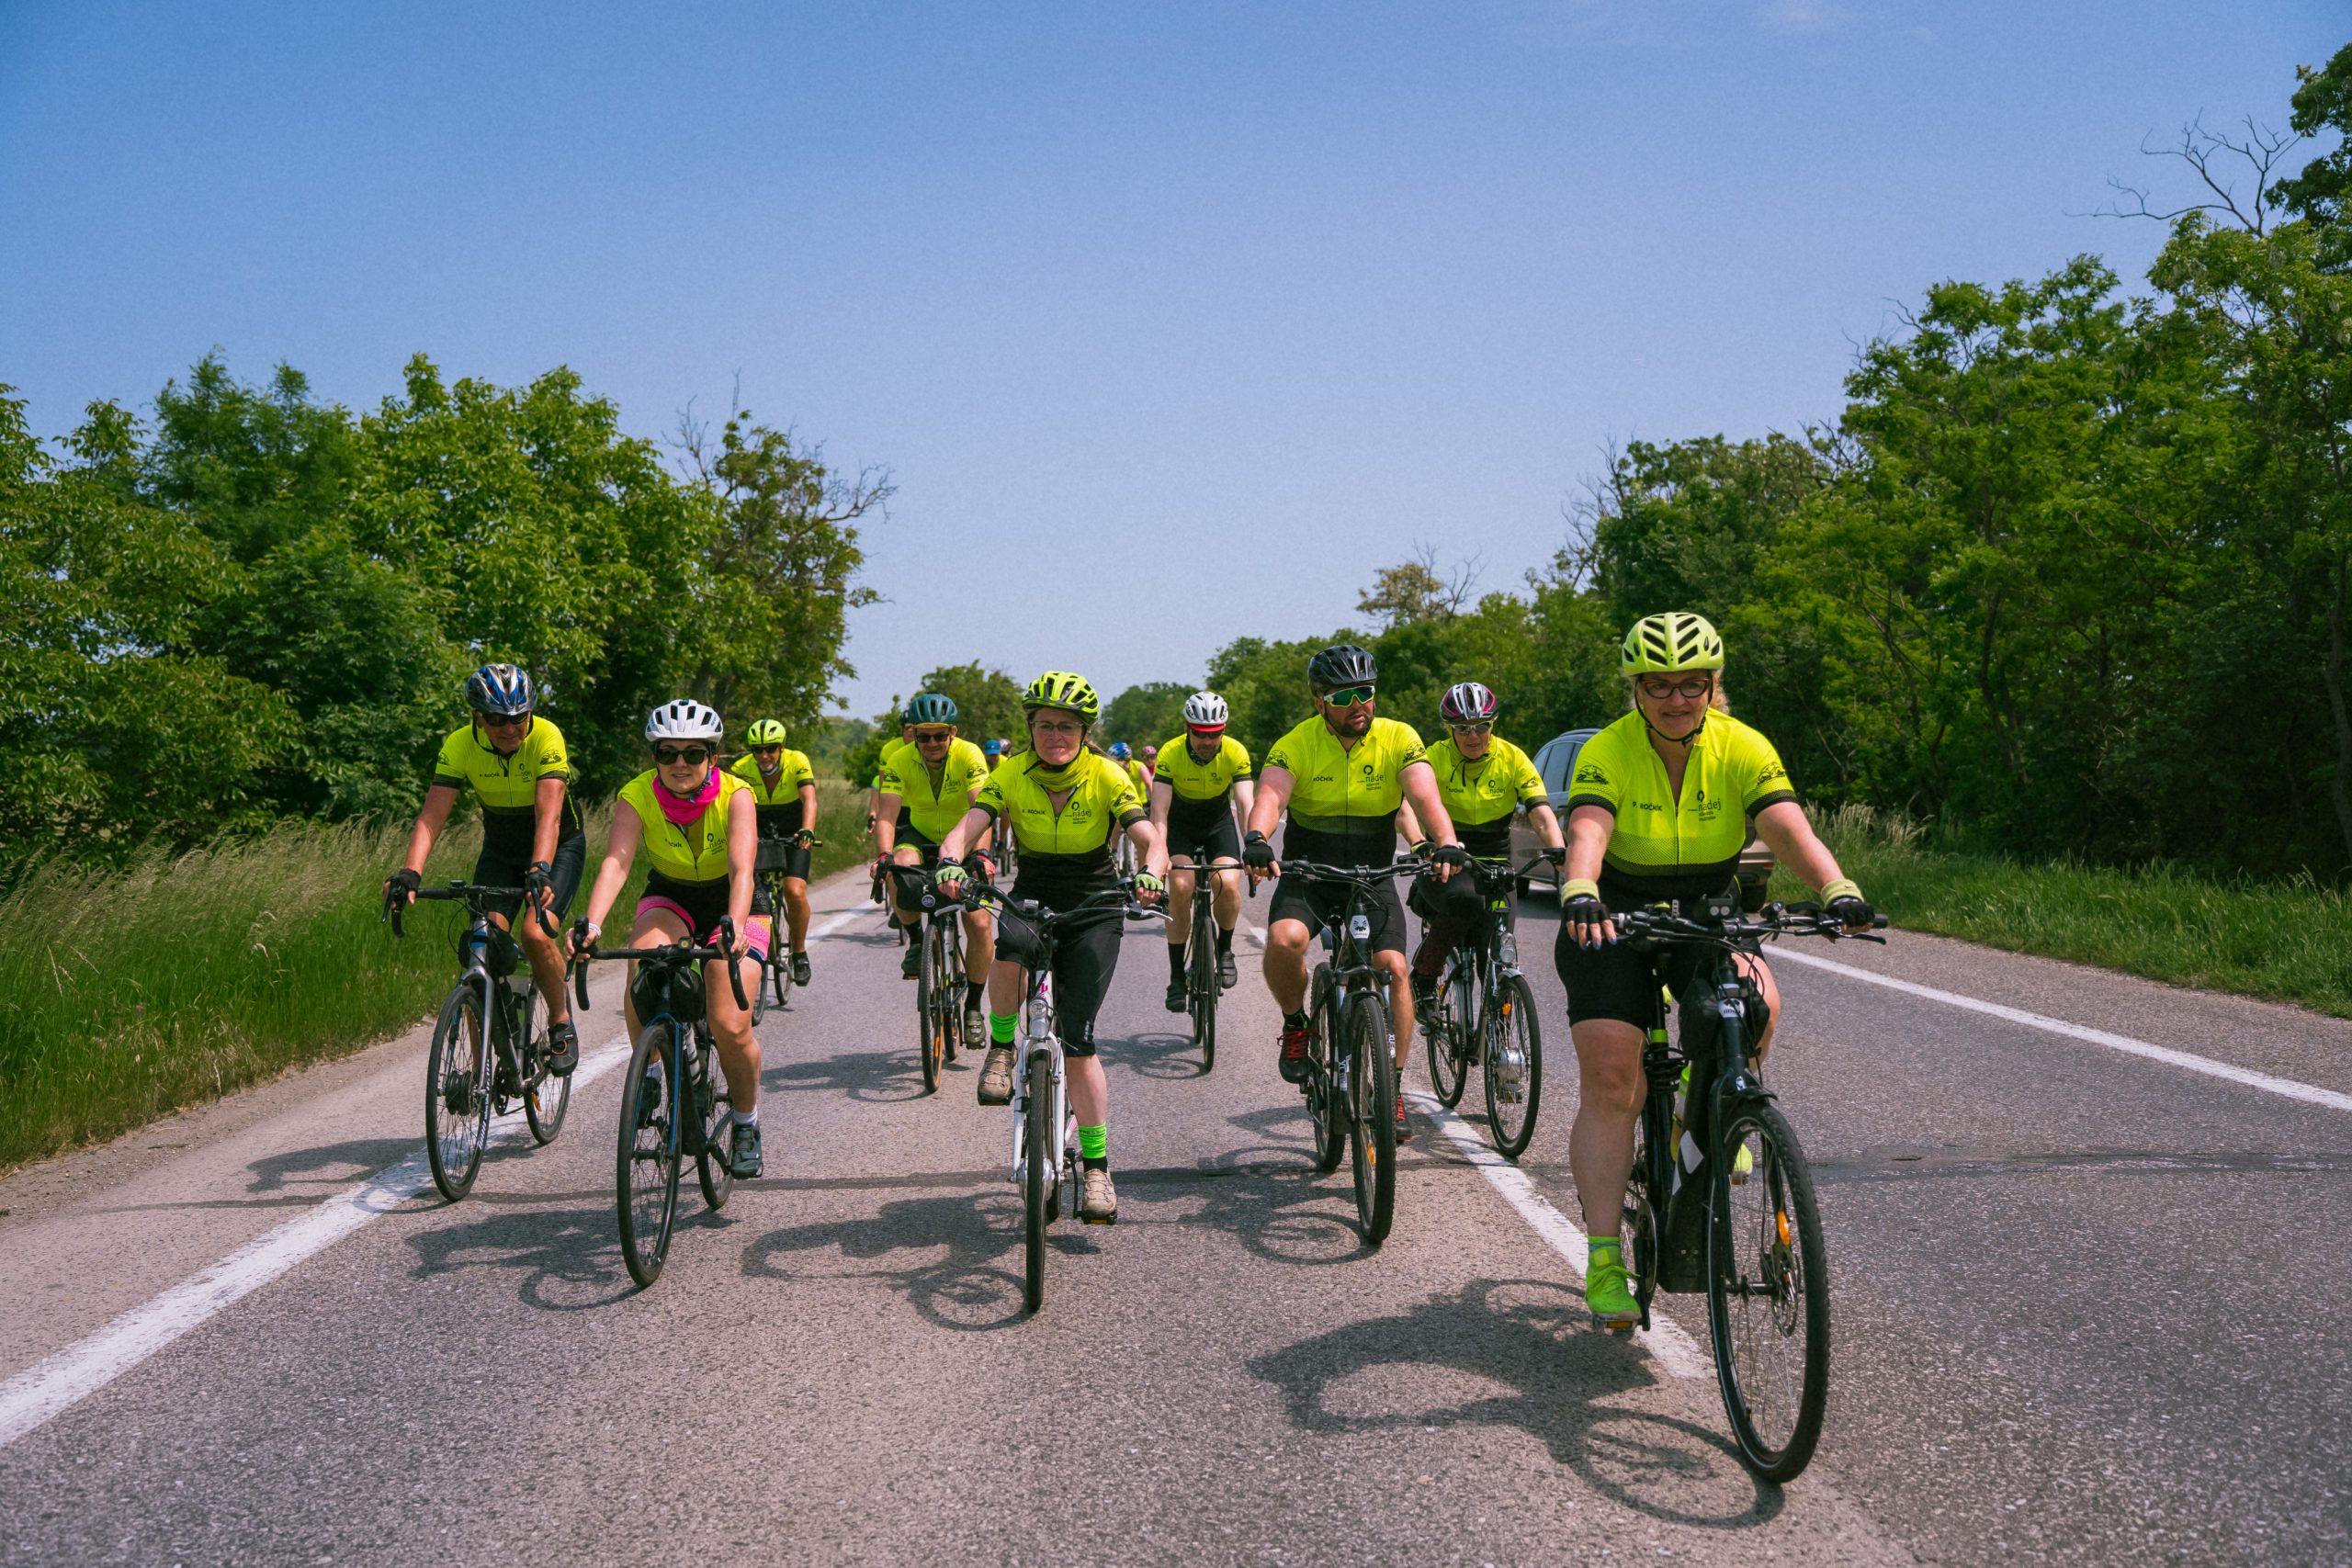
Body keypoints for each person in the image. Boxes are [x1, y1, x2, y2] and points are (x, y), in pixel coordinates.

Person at [1556, 612, 1874, 1327]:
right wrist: (1580, 887)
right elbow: (1589, 829)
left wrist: (1836, 887)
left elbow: (1787, 823)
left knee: (1760, 1002)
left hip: (1705, 909)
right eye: (1659, 685)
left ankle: (1709, 1100)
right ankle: (1605, 1258)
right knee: (1613, 1077)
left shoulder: (1743, 746)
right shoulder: (1608, 750)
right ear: (1637, 688)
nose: (1676, 699)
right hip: (1613, 912)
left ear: (1711, 684)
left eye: (1691, 684)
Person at [932, 671, 1167, 1223]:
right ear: (1030, 728)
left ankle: (1096, 1167)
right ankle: (1004, 1045)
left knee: (1081, 1042)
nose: (1054, 734)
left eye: (1066, 726)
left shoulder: (1109, 776)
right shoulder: (1010, 773)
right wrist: (948, 858)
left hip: (1095, 896)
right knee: (1007, 948)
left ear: (1084, 730)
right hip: (1034, 889)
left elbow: (1147, 836)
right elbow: (967, 827)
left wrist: (1152, 873)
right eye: (1043, 725)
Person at [1242, 645, 1468, 1143]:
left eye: (1366, 692)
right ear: (1320, 701)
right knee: (1284, 941)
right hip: (1311, 872)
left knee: (1396, 968)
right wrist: (1257, 839)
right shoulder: (1296, 743)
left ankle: (1395, 1087)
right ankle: (1297, 1023)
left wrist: (1446, 842)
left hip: (1372, 872)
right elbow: (1271, 798)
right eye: (1345, 696)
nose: (1358, 704)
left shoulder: (1398, 738)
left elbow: (1425, 796)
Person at [570, 700, 770, 1178]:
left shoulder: (738, 795)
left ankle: (746, 1124)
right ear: (654, 756)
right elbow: (617, 862)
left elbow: (743, 869)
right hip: (671, 895)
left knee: (729, 1024)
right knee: (642, 967)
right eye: (668, 753)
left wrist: (736, 926)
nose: (680, 763)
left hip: (734, 901)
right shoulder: (637, 794)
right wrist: (592, 924)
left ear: (711, 757)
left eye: (693, 753)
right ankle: (653, 1072)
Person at [387, 665, 586, 1076]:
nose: (510, 728)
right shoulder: (461, 744)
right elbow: (431, 815)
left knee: (534, 933)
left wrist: (540, 868)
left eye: (518, 717)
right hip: (500, 849)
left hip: (557, 847)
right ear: (478, 717)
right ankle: (482, 1067)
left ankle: (561, 1021)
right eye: (497, 719)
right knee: (483, 942)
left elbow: (548, 817)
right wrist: (410, 871)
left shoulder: (547, 736)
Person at [1396, 682, 1566, 1010]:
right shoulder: (1432, 758)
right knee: (1465, 900)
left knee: (1496, 957)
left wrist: (1559, 851)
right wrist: (1419, 845)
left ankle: (1500, 1042)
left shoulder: (1513, 758)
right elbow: (1404, 808)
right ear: (1450, 729)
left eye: (1481, 726)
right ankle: (1425, 974)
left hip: (1497, 863)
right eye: (1462, 728)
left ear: (1493, 724)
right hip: (1445, 858)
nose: (1473, 736)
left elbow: (1541, 814)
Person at [875, 693, 995, 1042]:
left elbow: (983, 810)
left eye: (939, 735)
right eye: (923, 735)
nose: (931, 743)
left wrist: (982, 855)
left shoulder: (970, 755)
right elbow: (887, 815)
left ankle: (973, 1006)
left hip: (965, 836)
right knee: (898, 867)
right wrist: (883, 855)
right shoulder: (899, 759)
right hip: (920, 833)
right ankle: (915, 942)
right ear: (912, 733)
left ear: (952, 733)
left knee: (979, 921)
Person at [1148, 691, 1255, 1010]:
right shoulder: (1170, 753)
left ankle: (1224, 948)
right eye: (1200, 734)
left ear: (1224, 729)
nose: (1208, 741)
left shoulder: (1235, 751)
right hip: (1180, 825)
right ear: (1187, 728)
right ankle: (1177, 976)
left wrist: (1255, 845)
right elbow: (1160, 812)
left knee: (1227, 882)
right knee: (1181, 886)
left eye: (1215, 734)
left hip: (1217, 824)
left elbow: (1246, 804)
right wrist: (1158, 858)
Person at [729, 719, 820, 986]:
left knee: (794, 891)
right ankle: (751, 949)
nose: (764, 755)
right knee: (748, 892)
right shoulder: (740, 769)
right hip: (756, 825)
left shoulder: (797, 761)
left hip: (794, 830)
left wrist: (807, 830)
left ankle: (800, 952)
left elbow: (809, 799)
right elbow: (733, 806)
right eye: (758, 750)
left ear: (782, 747)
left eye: (770, 748)